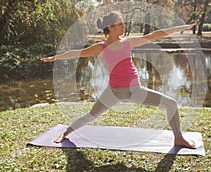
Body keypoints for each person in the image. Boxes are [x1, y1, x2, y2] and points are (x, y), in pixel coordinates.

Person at [41, 11, 196, 149]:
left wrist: (178, 28)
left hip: (135, 91)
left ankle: (178, 138)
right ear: (111, 27)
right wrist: (55, 57)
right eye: (120, 23)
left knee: (171, 104)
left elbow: (154, 35)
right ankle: (66, 131)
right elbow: (78, 53)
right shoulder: (101, 47)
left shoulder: (128, 42)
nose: (124, 26)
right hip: (113, 92)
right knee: (91, 115)